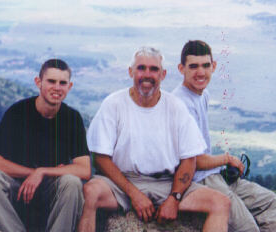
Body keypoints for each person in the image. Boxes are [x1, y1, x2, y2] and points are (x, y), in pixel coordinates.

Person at [78, 47, 230, 232]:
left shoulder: (176, 107)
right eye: (141, 68)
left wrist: (175, 198)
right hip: (122, 182)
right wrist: (134, 194)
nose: (147, 75)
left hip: (167, 182)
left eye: (154, 69)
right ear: (131, 72)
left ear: (163, 74)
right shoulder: (113, 104)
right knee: (90, 192)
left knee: (220, 203)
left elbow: (189, 159)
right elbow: (100, 158)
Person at [173, 40, 276, 232]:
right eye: (193, 66)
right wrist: (226, 159)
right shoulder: (181, 104)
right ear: (181, 69)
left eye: (205, 65)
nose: (200, 73)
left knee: (271, 202)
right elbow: (193, 161)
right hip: (197, 182)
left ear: (214, 66)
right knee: (247, 228)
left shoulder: (202, 95)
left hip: (214, 176)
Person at [0, 59, 91, 232]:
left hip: (50, 191)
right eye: (51, 81)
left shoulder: (72, 118)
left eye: (63, 83)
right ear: (38, 82)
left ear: (70, 86)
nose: (57, 87)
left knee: (72, 182)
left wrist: (42, 172)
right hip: (17, 187)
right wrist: (32, 174)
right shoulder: (17, 112)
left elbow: (84, 169)